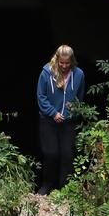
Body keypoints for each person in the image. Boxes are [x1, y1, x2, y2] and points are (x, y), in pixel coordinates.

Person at [35, 44, 85, 195]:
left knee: (67, 154)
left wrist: (73, 111)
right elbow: (41, 96)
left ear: (72, 61)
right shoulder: (46, 73)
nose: (64, 66)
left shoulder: (79, 75)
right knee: (51, 153)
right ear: (57, 60)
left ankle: (65, 189)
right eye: (61, 63)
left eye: (67, 63)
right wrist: (53, 112)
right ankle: (46, 185)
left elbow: (80, 96)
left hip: (68, 122)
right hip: (49, 120)